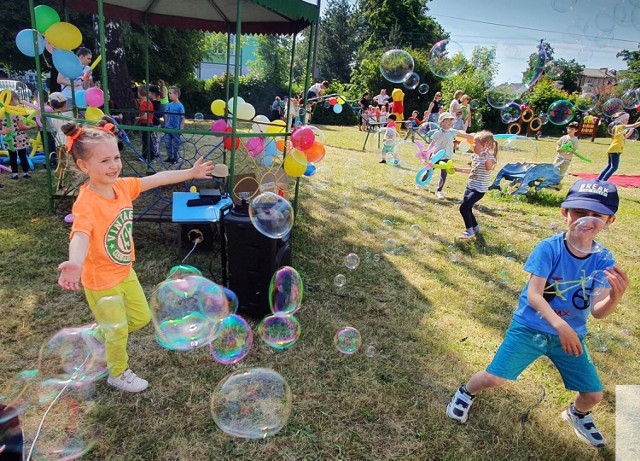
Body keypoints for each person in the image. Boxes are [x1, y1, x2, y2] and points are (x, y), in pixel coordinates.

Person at [446, 178, 628, 448]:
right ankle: (466, 392)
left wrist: (615, 296)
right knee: (494, 378)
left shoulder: (604, 260)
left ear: (609, 220)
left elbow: (598, 312)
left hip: (569, 336)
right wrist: (560, 325)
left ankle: (576, 414)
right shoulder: (549, 248)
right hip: (530, 328)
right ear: (565, 212)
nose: (586, 221)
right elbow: (534, 295)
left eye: (596, 215)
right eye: (579, 212)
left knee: (593, 394)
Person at [57, 120, 215, 393]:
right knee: (118, 330)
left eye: (116, 157)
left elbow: (155, 179)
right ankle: (117, 373)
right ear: (84, 166)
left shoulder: (121, 187)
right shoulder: (86, 202)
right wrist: (75, 263)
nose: (114, 165)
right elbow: (80, 235)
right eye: (105, 160)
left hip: (124, 271)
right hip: (100, 280)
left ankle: (100, 332)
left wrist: (190, 172)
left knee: (141, 317)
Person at [454, 131, 497, 239]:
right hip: (470, 186)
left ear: (485, 145)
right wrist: (458, 169)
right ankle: (475, 227)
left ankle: (469, 230)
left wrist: (486, 155)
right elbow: (473, 170)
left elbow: (488, 167)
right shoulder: (474, 156)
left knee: (463, 208)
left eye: (475, 143)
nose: (472, 145)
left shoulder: (490, 158)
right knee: (468, 208)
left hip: (478, 190)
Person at [422, 112, 473, 199]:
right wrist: (427, 152)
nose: (450, 122)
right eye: (448, 120)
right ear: (442, 122)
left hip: (447, 157)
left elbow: (465, 136)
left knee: (444, 174)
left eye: (451, 120)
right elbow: (432, 144)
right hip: (436, 156)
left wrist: (476, 136)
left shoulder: (453, 132)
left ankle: (439, 191)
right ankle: (421, 183)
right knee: (429, 171)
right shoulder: (437, 133)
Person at [0, 91, 38, 180]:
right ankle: (25, 173)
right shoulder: (16, 113)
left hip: (9, 139)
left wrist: (4, 131)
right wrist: (31, 126)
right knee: (22, 156)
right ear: (10, 101)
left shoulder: (1, 114)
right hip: (19, 137)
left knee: (12, 157)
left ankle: (15, 174)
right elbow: (21, 126)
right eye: (16, 99)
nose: (18, 101)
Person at [597, 111, 640, 181]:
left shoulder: (619, 128)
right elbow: (634, 125)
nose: (627, 121)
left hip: (613, 149)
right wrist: (635, 125)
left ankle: (599, 179)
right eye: (626, 120)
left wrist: (630, 132)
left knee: (609, 166)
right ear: (621, 120)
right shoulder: (620, 126)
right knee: (614, 167)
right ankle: (603, 181)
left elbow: (624, 137)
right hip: (615, 149)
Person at [163, 86, 185, 164]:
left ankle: (176, 158)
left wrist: (181, 128)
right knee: (167, 143)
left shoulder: (180, 106)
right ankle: (170, 157)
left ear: (176, 94)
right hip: (168, 127)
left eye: (170, 93)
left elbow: (183, 117)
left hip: (176, 128)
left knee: (176, 145)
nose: (169, 95)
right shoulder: (169, 105)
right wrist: (166, 124)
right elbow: (166, 115)